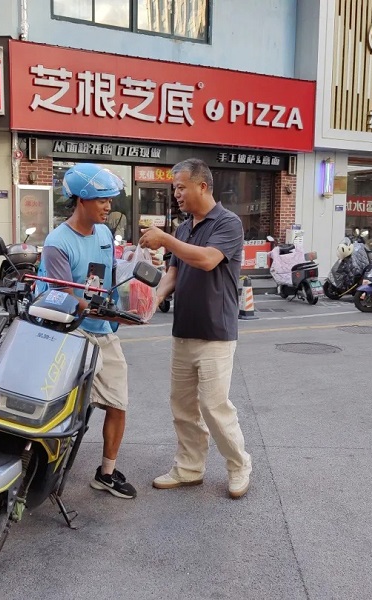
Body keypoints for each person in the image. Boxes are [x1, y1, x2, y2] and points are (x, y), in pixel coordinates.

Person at [138, 158, 252, 499]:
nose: (176, 194)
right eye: (174, 188)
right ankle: (189, 468)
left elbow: (206, 259)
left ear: (202, 186)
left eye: (181, 187)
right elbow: (172, 274)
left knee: (214, 407)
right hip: (183, 330)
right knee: (183, 407)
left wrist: (164, 239)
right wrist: (153, 300)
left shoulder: (228, 223)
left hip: (215, 331)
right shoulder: (184, 227)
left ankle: (239, 465)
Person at [35, 163, 139, 499]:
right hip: (69, 330)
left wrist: (131, 301)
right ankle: (43, 466)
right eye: (102, 200)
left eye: (110, 199)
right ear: (81, 199)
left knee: (118, 401)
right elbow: (66, 296)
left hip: (102, 327)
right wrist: (106, 311)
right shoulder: (57, 242)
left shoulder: (105, 234)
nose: (109, 206)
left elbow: (108, 277)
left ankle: (106, 473)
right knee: (66, 404)